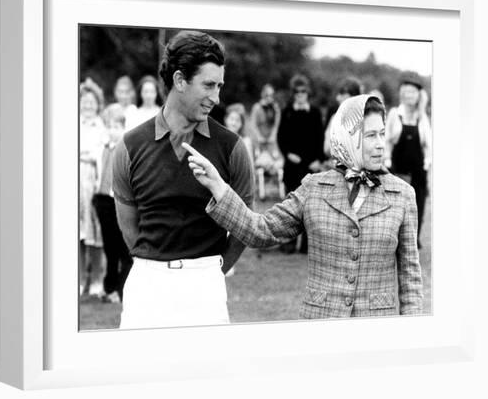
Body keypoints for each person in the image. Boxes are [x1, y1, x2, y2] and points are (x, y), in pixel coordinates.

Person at [184, 94, 423, 319]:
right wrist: (218, 187)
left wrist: (411, 332)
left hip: (377, 332)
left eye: (382, 133)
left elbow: (410, 280)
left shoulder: (403, 194)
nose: (381, 144)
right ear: (348, 136)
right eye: (370, 136)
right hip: (320, 326)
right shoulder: (314, 188)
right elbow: (261, 231)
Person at [112, 30, 254, 328]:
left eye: (220, 86)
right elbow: (129, 228)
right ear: (179, 80)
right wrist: (156, 265)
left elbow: (244, 225)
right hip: (146, 287)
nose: (217, 97)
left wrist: (212, 271)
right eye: (208, 85)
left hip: (206, 288)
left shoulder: (232, 148)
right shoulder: (128, 147)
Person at [91, 107, 133, 304]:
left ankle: (121, 289)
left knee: (122, 246)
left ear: (123, 128)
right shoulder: (103, 148)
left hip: (119, 201)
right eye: (109, 126)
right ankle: (109, 288)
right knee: (109, 247)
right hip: (102, 200)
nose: (112, 130)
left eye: (116, 126)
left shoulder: (125, 150)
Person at [277, 74, 324, 253]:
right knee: (290, 204)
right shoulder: (287, 111)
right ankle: (288, 243)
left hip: (310, 165)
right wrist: (288, 154)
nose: (300, 95)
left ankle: (306, 245)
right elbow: (281, 137)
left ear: (308, 93)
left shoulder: (315, 112)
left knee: (310, 206)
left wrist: (317, 160)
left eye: (303, 92)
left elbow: (319, 136)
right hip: (292, 164)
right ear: (293, 93)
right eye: (297, 92)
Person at [385, 71, 431, 248]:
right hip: (397, 168)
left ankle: (413, 241)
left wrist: (427, 163)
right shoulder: (394, 114)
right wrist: (387, 160)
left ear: (418, 95)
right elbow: (387, 139)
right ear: (402, 94)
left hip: (418, 170)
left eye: (413, 92)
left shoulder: (422, 117)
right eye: (406, 91)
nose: (409, 95)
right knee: (396, 207)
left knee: (417, 205)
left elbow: (428, 144)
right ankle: (394, 241)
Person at [79, 78, 107, 296]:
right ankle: (79, 279)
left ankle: (97, 279)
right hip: (75, 181)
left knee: (95, 231)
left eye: (91, 102)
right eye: (84, 101)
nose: (87, 105)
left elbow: (102, 154)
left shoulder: (101, 127)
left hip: (94, 181)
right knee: (77, 232)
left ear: (98, 104)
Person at [248, 83, 284, 200]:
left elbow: (276, 124)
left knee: (277, 161)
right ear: (263, 94)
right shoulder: (257, 107)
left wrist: (273, 135)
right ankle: (261, 189)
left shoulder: (275, 107)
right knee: (260, 161)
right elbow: (253, 124)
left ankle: (276, 188)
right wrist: (259, 136)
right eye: (268, 94)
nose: (270, 97)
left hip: (272, 141)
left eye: (272, 94)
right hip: (260, 141)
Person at [323, 76, 363, 158]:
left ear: (354, 96)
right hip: (338, 167)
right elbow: (327, 149)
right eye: (338, 94)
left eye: (342, 94)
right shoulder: (334, 118)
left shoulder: (366, 118)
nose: (338, 98)